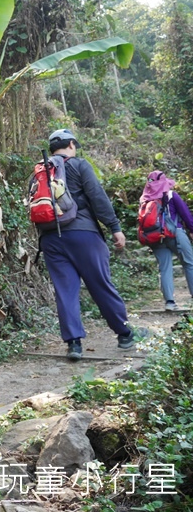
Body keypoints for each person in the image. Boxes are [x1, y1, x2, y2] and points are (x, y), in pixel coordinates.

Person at [38, 129, 145, 360]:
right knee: (100, 284)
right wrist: (115, 227)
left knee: (65, 290)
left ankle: (73, 344)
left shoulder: (41, 169)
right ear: (72, 144)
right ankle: (125, 333)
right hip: (84, 234)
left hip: (50, 238)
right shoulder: (79, 165)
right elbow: (97, 197)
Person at [140, 170, 193, 311]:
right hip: (175, 233)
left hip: (155, 237)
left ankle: (169, 302)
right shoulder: (170, 195)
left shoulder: (144, 199)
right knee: (189, 263)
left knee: (164, 268)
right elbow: (186, 215)